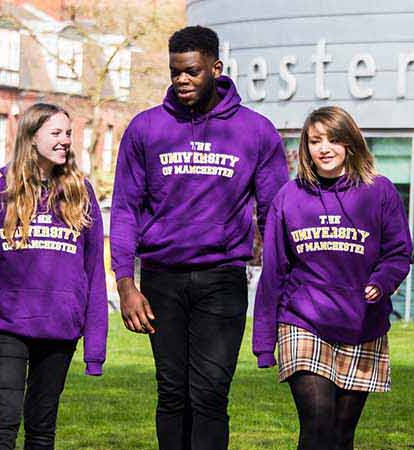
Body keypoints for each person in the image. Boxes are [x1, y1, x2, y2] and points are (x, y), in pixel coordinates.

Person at [110, 25, 289, 450]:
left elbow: (276, 215)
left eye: (191, 71)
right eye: (174, 72)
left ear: (216, 68)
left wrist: (280, 285)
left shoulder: (255, 132)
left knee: (210, 395)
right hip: (161, 278)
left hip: (222, 279)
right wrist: (125, 282)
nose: (181, 81)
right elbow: (124, 211)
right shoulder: (146, 129)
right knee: (172, 393)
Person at [253, 106, 412, 450]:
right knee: (317, 426)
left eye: (333, 139)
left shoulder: (379, 192)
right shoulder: (289, 198)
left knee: (342, 436)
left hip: (362, 324)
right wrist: (264, 342)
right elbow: (274, 271)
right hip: (303, 322)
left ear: (350, 143)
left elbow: (398, 252)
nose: (324, 148)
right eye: (314, 141)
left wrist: (382, 282)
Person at [0, 103, 108, 449]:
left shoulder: (81, 194)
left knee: (42, 429)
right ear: (31, 138)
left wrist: (95, 348)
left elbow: (94, 274)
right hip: (7, 328)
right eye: (55, 133)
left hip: (59, 331)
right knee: (2, 424)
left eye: (68, 133)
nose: (65, 141)